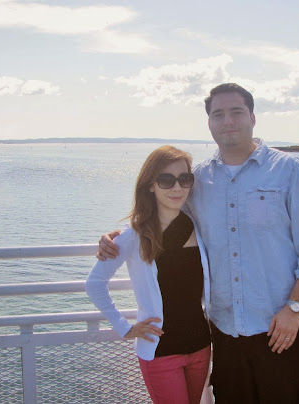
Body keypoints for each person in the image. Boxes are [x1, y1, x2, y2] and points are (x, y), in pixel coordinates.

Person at [98, 83, 299, 403]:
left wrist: (294, 309)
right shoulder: (198, 180)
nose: (228, 121)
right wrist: (119, 237)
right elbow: (163, 214)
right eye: (218, 114)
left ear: (252, 117)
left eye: (236, 112)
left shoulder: (289, 171)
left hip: (283, 327)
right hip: (225, 332)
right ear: (209, 123)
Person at [85, 145, 212, 404]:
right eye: (166, 180)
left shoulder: (197, 225)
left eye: (184, 179)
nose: (177, 187)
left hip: (200, 346)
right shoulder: (135, 234)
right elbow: (95, 283)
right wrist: (124, 327)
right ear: (151, 185)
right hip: (161, 351)